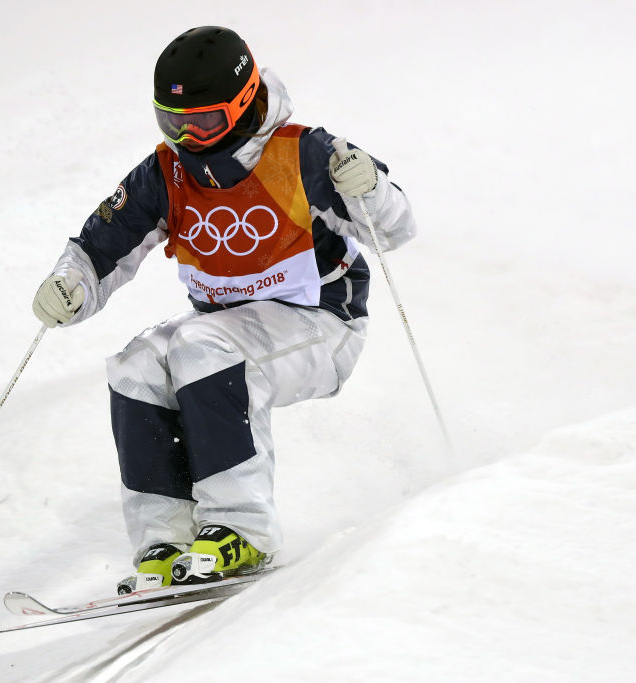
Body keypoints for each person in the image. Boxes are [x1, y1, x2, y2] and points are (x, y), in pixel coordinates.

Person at [32, 26, 417, 593]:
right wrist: (71, 284)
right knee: (139, 364)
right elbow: (99, 249)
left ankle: (243, 529)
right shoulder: (167, 173)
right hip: (230, 329)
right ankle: (165, 539)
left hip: (323, 323)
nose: (187, 137)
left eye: (204, 121)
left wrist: (370, 187)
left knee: (200, 347)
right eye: (172, 123)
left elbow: (396, 228)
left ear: (241, 103)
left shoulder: (302, 154)